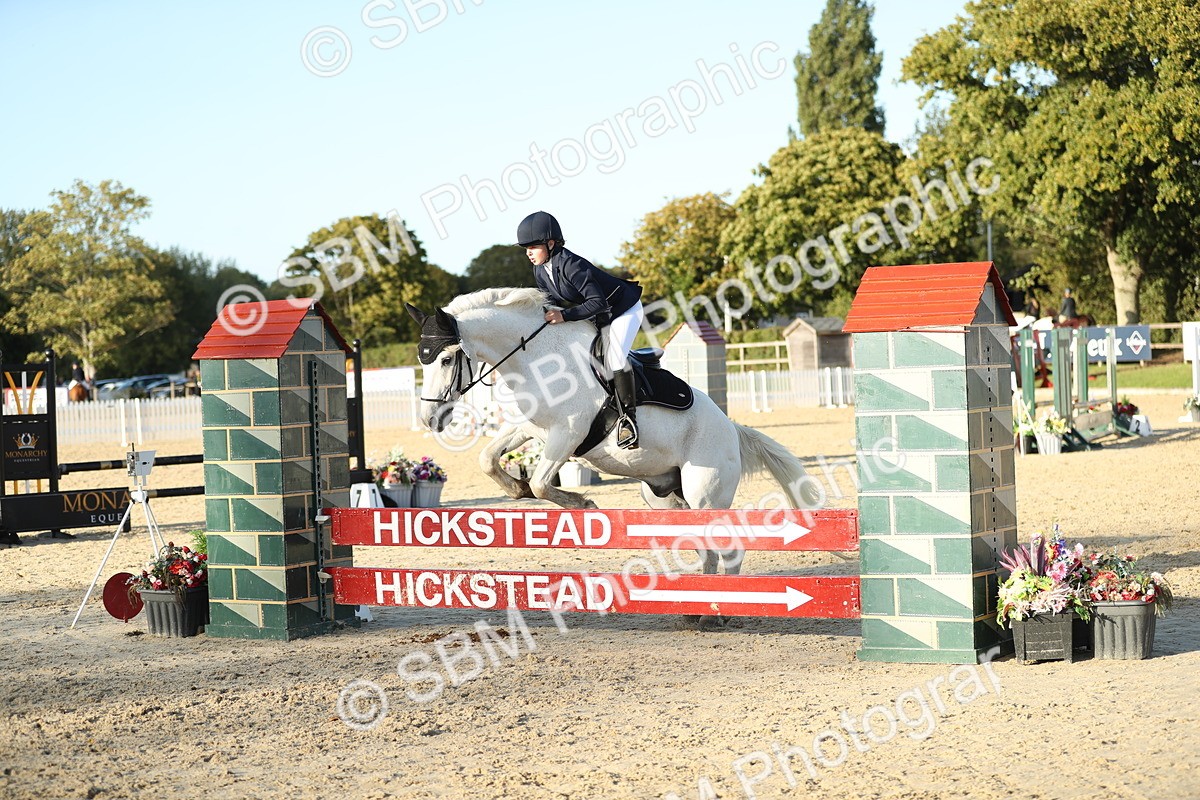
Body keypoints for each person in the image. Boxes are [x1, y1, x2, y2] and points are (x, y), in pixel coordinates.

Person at [515, 211, 644, 449]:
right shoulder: (540, 270)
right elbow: (550, 304)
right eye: (526, 249)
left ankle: (628, 419)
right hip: (599, 315)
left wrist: (564, 315)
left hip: (624, 309)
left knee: (614, 358)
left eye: (533, 247)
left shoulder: (572, 264)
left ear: (551, 243)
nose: (528, 253)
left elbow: (598, 303)